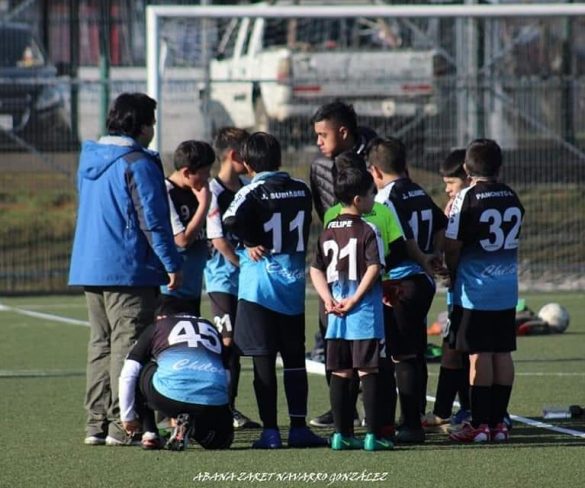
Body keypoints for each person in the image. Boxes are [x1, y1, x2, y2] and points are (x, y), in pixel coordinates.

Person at [68, 92, 182, 446]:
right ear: (141, 125)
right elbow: (153, 220)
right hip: (127, 268)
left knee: (100, 345)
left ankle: (95, 424)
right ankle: (124, 422)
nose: (153, 129)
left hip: (90, 264)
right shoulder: (138, 162)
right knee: (128, 347)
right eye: (152, 121)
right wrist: (171, 263)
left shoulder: (89, 159)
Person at [223, 132, 326, 449]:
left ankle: (270, 432)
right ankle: (298, 428)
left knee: (263, 362)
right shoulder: (300, 188)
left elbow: (230, 220)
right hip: (293, 290)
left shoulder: (252, 191)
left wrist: (251, 241)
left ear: (248, 163)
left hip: (259, 292)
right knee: (295, 361)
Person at [366, 136, 447, 444]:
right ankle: (409, 418)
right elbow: (442, 223)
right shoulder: (418, 190)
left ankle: (409, 425)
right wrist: (435, 255)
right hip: (421, 283)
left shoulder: (385, 198)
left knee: (402, 355)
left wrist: (424, 258)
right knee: (412, 351)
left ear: (374, 170)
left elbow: (400, 239)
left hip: (401, 282)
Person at [446, 139, 524, 443]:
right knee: (502, 352)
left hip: (475, 290)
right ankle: (498, 423)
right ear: (499, 167)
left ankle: (478, 425)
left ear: (466, 168)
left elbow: (452, 246)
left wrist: (451, 272)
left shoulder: (466, 197)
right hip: (506, 288)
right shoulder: (511, 195)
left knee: (479, 355)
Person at [310, 166, 393, 451]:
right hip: (363, 314)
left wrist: (328, 300)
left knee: (342, 372)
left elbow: (315, 269)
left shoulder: (328, 230)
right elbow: (374, 267)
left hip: (336, 316)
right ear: (358, 199)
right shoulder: (368, 230)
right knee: (368, 371)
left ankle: (340, 434)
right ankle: (372, 435)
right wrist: (356, 298)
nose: (374, 199)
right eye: (372, 195)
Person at [309, 101, 377, 428]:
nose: (318, 142)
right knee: (333, 334)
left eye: (323, 135)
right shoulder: (319, 166)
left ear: (344, 132)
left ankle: (375, 413)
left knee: (372, 346)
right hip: (337, 265)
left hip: (371, 258)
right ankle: (342, 412)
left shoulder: (376, 153)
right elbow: (324, 214)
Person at [203, 127, 260, 429]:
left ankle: (229, 408)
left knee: (240, 345)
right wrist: (242, 263)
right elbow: (219, 240)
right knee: (226, 343)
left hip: (246, 280)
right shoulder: (211, 191)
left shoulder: (247, 187)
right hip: (222, 280)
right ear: (234, 155)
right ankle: (222, 408)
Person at [118, 311, 233, 451]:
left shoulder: (158, 325)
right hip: (212, 401)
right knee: (221, 442)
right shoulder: (210, 326)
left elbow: (129, 371)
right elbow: (227, 375)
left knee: (140, 365)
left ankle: (150, 433)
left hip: (168, 398)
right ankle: (195, 428)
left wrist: (127, 416)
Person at [422, 148, 472, 432]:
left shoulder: (463, 204)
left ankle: (446, 410)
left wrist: (448, 267)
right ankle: (460, 409)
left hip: (466, 289)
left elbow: (455, 246)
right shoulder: (454, 204)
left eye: (451, 183)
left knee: (455, 349)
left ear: (467, 178)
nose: (447, 189)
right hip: (461, 290)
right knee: (456, 347)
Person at [159, 140, 214, 316]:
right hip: (170, 291)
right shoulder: (166, 192)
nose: (208, 178)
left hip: (193, 289)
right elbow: (182, 241)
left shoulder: (196, 190)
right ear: (186, 172)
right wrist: (204, 205)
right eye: (205, 173)